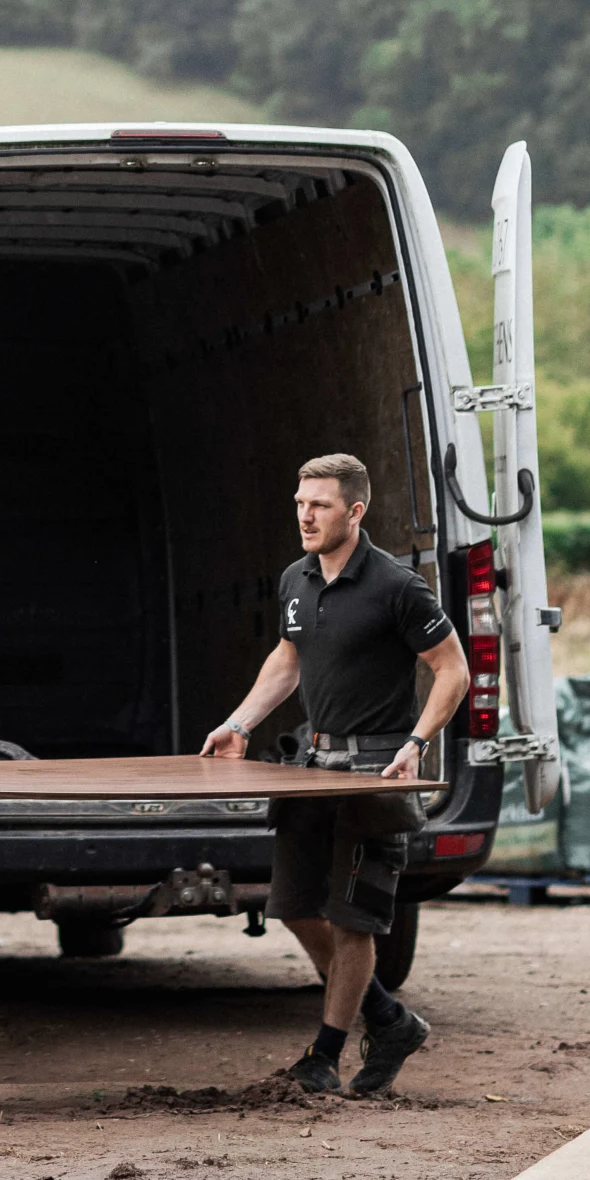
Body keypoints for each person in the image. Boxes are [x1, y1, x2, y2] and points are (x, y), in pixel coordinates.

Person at [200, 453, 469, 1096]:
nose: (305, 515)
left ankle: (324, 1056)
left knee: (355, 920)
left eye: (318, 505)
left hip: (376, 771)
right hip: (312, 765)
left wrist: (416, 741)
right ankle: (388, 1018)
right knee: (292, 904)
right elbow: (288, 659)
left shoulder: (397, 586)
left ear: (355, 510)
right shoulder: (295, 579)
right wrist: (240, 722)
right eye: (299, 503)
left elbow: (453, 668)